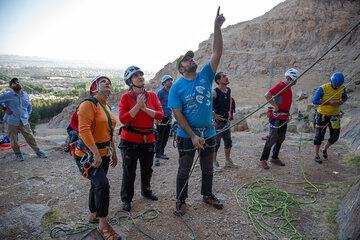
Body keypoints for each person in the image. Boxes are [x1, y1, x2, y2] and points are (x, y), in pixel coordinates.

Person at [168, 7, 225, 216]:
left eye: (191, 58)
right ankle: (180, 200)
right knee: (184, 169)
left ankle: (207, 194)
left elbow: (217, 52)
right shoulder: (177, 86)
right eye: (186, 60)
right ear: (181, 69)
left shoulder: (206, 76)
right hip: (186, 136)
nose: (191, 60)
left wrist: (216, 27)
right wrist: (192, 135)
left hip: (208, 132)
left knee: (208, 168)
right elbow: (177, 113)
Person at [74, 76, 121, 240]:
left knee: (96, 185)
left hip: (103, 153)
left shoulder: (106, 107)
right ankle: (103, 224)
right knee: (102, 185)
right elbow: (84, 131)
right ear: (94, 87)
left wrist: (113, 152)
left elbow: (108, 133)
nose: (108, 83)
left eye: (109, 81)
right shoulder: (88, 104)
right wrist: (94, 153)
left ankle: (93, 214)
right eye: (103, 81)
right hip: (88, 155)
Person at [118, 66, 163, 212]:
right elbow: (124, 119)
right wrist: (138, 106)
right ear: (130, 82)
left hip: (148, 139)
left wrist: (143, 108)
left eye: (141, 75)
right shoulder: (126, 98)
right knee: (129, 170)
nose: (140, 77)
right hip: (130, 140)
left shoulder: (152, 96)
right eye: (135, 76)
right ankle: (126, 198)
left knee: (147, 168)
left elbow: (160, 115)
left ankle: (146, 190)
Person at [259, 68, 299, 169]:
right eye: (294, 81)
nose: (295, 83)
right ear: (289, 78)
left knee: (281, 137)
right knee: (272, 137)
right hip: (276, 117)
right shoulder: (281, 86)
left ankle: (275, 157)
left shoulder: (287, 87)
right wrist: (274, 105)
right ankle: (263, 159)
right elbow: (267, 95)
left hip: (284, 117)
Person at [0, 78, 47, 161]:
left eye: (17, 82)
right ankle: (18, 154)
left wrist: (28, 114)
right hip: (11, 121)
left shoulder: (25, 95)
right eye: (14, 83)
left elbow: (29, 106)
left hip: (23, 121)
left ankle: (38, 152)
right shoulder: (7, 95)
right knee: (13, 139)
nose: (17, 83)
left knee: (30, 137)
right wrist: (4, 108)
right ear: (11, 86)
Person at [312, 72, 347, 164]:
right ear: (331, 81)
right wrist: (329, 102)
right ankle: (316, 155)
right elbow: (315, 101)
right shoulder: (323, 88)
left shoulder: (342, 88)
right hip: (322, 116)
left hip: (334, 116)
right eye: (335, 85)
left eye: (337, 86)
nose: (336, 87)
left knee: (335, 136)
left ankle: (324, 149)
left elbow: (345, 97)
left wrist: (341, 102)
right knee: (319, 136)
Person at [212, 72, 238, 171]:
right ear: (218, 81)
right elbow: (207, 103)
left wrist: (230, 114)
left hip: (226, 121)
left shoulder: (228, 90)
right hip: (217, 122)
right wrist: (212, 113)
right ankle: (214, 162)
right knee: (216, 142)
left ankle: (228, 161)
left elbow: (229, 101)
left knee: (228, 141)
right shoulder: (215, 92)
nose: (226, 77)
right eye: (223, 77)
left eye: (226, 76)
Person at [154, 75, 173, 166]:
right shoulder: (160, 92)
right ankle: (156, 157)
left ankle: (161, 153)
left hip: (168, 117)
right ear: (164, 83)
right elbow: (155, 104)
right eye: (168, 80)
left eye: (171, 80)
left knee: (166, 136)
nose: (170, 81)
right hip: (161, 117)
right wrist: (156, 118)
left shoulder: (171, 92)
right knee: (159, 137)